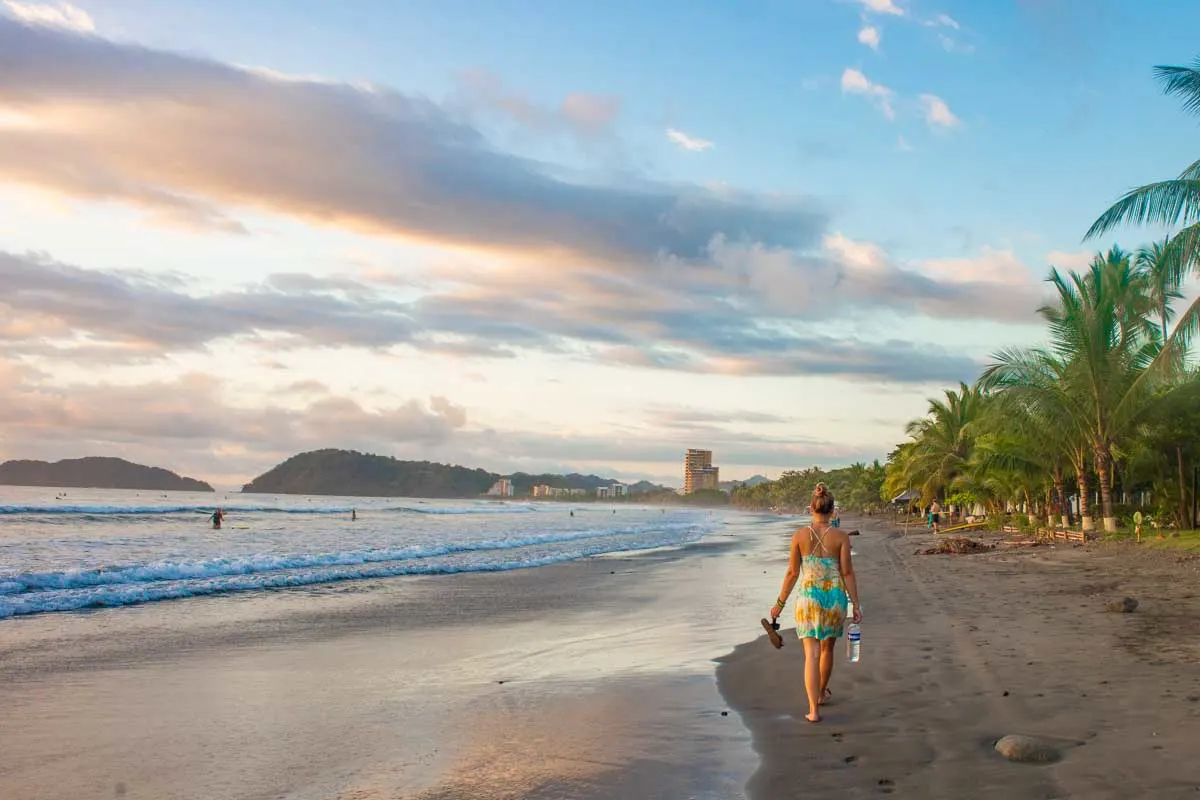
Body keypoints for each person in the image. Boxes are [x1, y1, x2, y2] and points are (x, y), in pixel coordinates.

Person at [769, 483, 862, 723]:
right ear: (832, 511)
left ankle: (813, 710)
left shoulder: (799, 536)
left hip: (808, 599)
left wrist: (779, 604)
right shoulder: (841, 537)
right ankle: (821, 693)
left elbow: (792, 573)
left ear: (810, 508)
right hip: (834, 599)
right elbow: (847, 573)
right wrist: (856, 605)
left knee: (811, 654)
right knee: (827, 649)